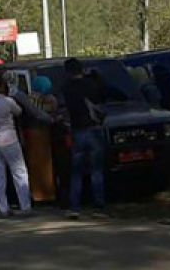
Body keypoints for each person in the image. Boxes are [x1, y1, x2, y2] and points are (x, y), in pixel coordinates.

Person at [0, 74, 33, 217]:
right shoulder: (7, 101)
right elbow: (19, 111)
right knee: (19, 172)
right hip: (9, 140)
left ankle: (3, 208)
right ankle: (25, 206)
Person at [62, 58, 107, 219]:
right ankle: (99, 204)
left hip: (77, 130)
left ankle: (75, 206)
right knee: (96, 170)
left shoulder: (67, 88)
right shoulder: (91, 85)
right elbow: (103, 92)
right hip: (94, 128)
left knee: (76, 172)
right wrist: (94, 75)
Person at [24, 75, 59, 204]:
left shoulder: (29, 98)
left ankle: (36, 194)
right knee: (47, 166)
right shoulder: (50, 99)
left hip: (31, 134)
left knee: (33, 166)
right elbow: (52, 112)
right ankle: (48, 194)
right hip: (44, 134)